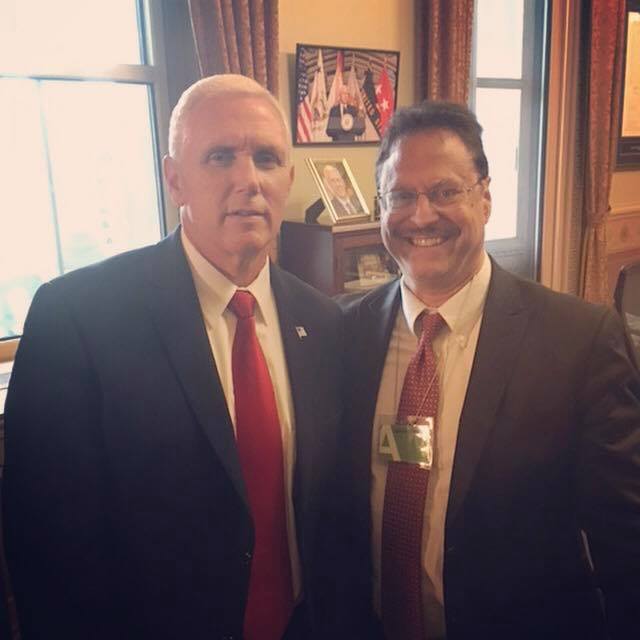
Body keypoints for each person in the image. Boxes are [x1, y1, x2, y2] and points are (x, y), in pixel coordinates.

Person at [3, 74, 343, 640]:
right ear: (174, 179)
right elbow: (45, 546)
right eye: (219, 157)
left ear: (288, 178)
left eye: (266, 158)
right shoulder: (77, 319)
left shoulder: (325, 322)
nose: (248, 179)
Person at [338, 101, 640, 639]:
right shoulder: (346, 332)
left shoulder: (579, 341)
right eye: (401, 196)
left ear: (485, 198)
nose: (421, 215)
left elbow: (625, 536)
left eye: (445, 192)